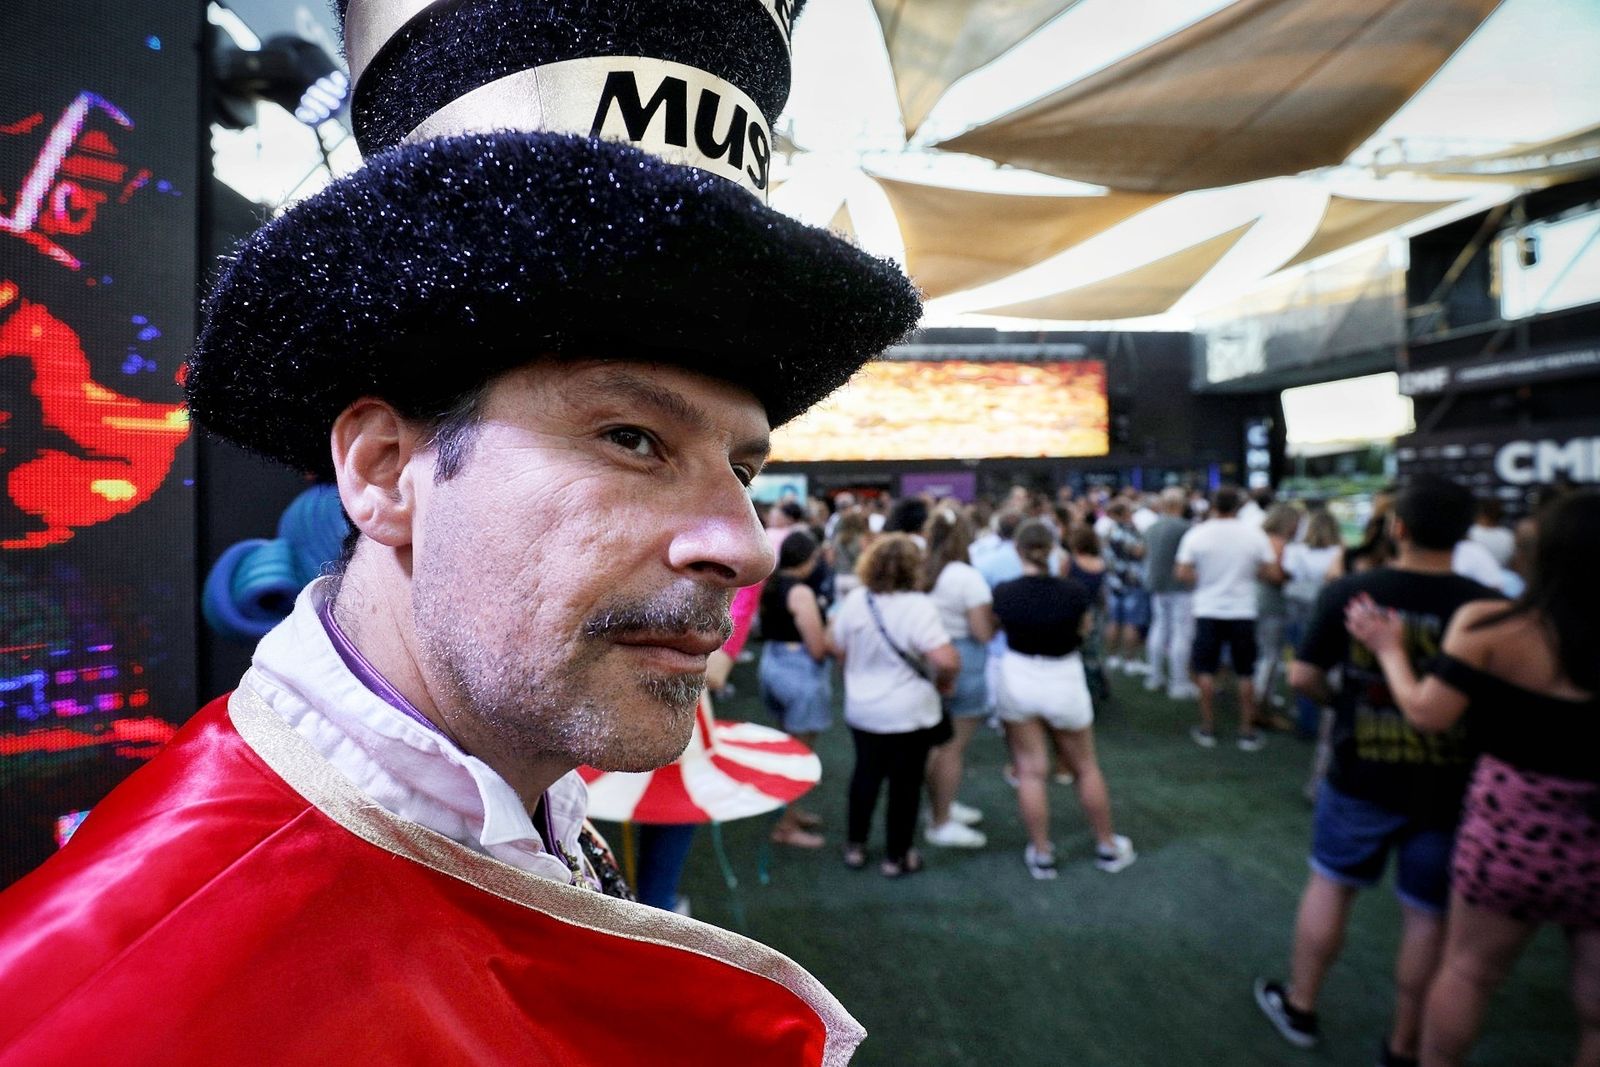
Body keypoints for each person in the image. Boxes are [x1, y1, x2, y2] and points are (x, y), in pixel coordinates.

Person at [0, 1, 922, 1060]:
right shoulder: (91, 1018)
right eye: (629, 436)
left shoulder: (518, 794)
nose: (745, 540)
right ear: (385, 472)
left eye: (744, 464)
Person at [1344, 490, 1600, 1067]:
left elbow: (1427, 715)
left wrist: (1389, 650)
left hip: (1513, 825)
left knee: (1469, 971)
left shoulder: (1494, 624)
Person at [1254, 477, 1499, 1067]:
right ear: (1468, 532)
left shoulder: (1354, 592)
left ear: (1398, 527)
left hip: (1360, 772)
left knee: (1332, 885)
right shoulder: (1486, 605)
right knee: (1427, 917)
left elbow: (1302, 678)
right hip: (1449, 782)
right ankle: (1405, 1044)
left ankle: (1301, 1005)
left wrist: (1345, 700)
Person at [992, 521, 1135, 879]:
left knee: (1030, 770)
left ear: (1018, 550)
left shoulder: (1005, 591)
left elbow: (992, 629)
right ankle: (1107, 846)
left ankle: (1041, 853)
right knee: (1085, 767)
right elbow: (1084, 631)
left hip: (1018, 679)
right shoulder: (1073, 592)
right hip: (1064, 679)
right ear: (1054, 549)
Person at [830, 534, 958, 878]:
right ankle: (897, 856)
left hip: (863, 709)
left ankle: (855, 846)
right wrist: (946, 679)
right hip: (910, 713)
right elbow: (944, 658)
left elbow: (837, 647)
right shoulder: (919, 606)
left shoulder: (857, 599)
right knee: (905, 785)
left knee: (865, 777)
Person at [1175, 486, 1279, 751]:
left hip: (1208, 608)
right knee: (1246, 670)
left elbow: (1183, 572)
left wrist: (1208, 581)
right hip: (1243, 609)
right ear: (1239, 506)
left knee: (1206, 669)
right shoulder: (1253, 535)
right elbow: (1269, 571)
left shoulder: (1197, 534)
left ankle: (1208, 727)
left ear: (1213, 505)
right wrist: (1244, 577)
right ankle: (1247, 730)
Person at [920, 509, 994, 850]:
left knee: (934, 744)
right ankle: (941, 821)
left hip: (927, 659)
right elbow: (981, 631)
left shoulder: (923, 569)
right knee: (951, 748)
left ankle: (940, 807)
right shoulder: (966, 575)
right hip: (964, 661)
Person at [759, 530, 833, 850]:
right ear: (808, 559)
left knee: (788, 746)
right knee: (800, 756)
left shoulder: (772, 584)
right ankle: (787, 826)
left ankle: (793, 812)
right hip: (798, 670)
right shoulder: (801, 592)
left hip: (772, 664)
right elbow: (817, 647)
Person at [1142, 487, 1196, 699]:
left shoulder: (1152, 527)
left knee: (1159, 628)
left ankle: (1155, 676)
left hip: (1157, 585)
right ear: (1180, 504)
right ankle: (1178, 682)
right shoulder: (1185, 527)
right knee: (1181, 633)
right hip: (1180, 587)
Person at [1252, 502, 1303, 728]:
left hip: (1257, 601)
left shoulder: (1257, 539)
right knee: (1269, 657)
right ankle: (1259, 708)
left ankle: (1261, 701)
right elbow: (1274, 575)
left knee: (1264, 656)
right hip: (1271, 603)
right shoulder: (1277, 543)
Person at [1102, 500, 1148, 674]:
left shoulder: (1108, 531)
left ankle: (1113, 658)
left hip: (1113, 582)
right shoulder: (1127, 531)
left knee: (1114, 621)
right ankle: (1130, 660)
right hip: (1132, 582)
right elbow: (1139, 552)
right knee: (1132, 622)